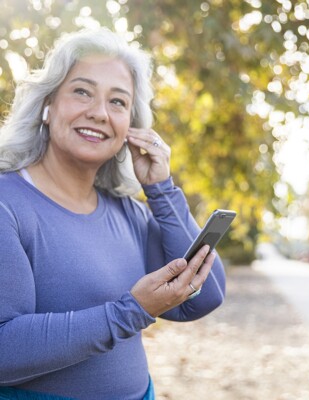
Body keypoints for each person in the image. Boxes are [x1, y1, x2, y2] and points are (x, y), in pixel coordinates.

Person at [0, 28, 226, 400]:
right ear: (47, 105)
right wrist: (130, 312)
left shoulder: (128, 213)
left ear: (131, 129)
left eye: (118, 102)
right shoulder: (8, 205)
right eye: (81, 91)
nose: (100, 113)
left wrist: (161, 189)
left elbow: (203, 298)